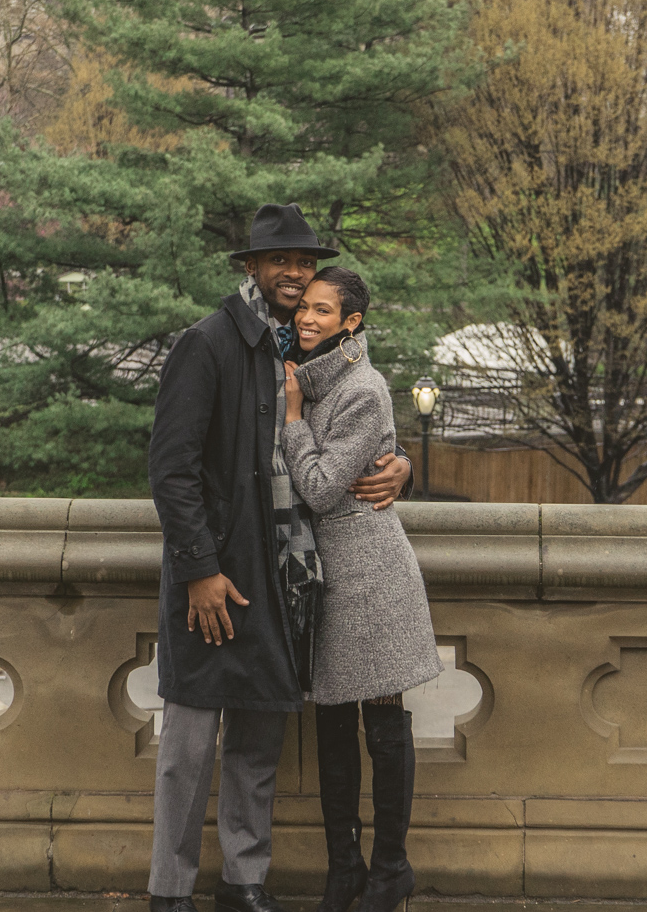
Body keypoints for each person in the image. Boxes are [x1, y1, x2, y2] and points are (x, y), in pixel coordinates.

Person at [146, 204, 413, 912]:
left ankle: (244, 881)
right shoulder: (206, 343)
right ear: (252, 268)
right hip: (214, 576)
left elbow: (351, 418)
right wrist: (200, 569)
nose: (295, 272)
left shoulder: (291, 350)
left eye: (304, 261)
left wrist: (403, 463)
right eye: (281, 261)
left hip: (281, 579)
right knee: (188, 745)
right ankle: (169, 892)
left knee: (258, 743)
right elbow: (170, 469)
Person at [281, 268, 442, 912]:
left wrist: (293, 419)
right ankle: (342, 868)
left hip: (370, 575)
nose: (307, 318)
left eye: (324, 311)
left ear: (351, 323)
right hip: (320, 576)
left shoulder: (362, 388)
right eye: (306, 308)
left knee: (380, 721)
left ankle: (390, 868)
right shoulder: (301, 368)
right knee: (332, 726)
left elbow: (320, 488)